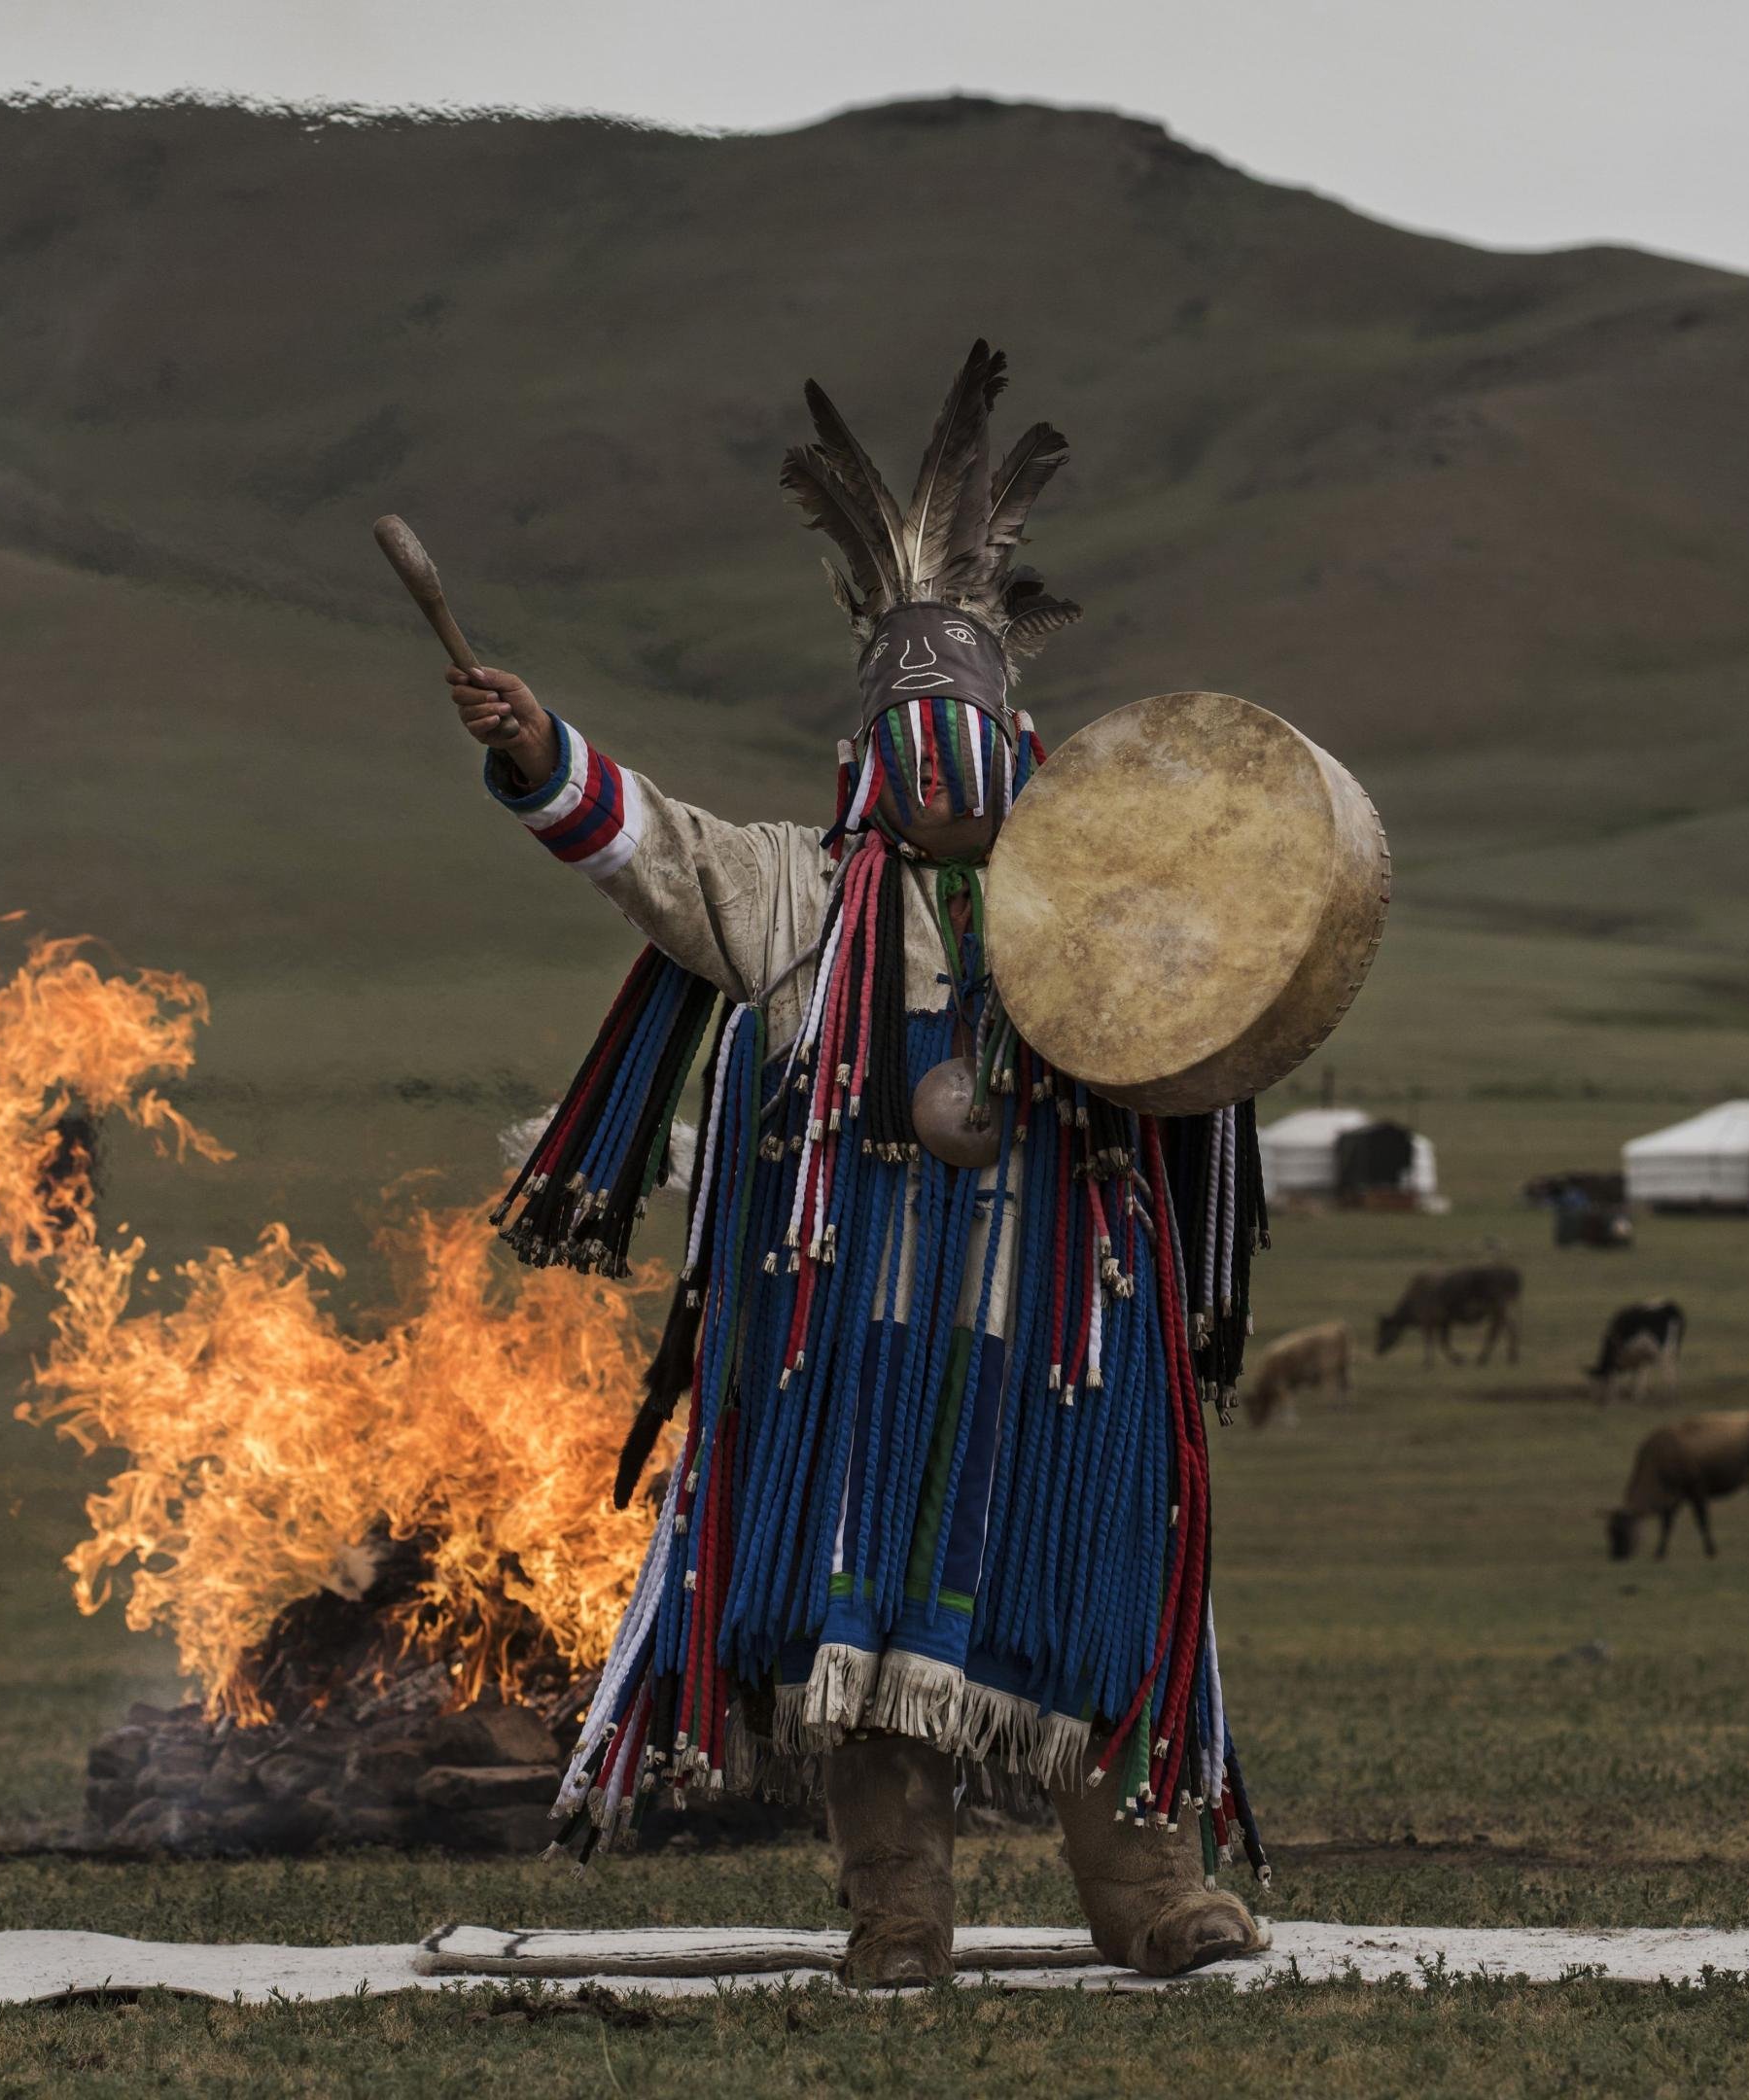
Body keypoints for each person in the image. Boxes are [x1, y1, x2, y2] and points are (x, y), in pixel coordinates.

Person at [441, 341, 1267, 1987]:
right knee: (861, 1632)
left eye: (970, 738)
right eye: (917, 739)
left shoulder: (1095, 911)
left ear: (1018, 745)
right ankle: (899, 1914)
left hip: (1063, 1340)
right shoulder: (795, 894)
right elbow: (649, 846)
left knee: (1097, 1588)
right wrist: (542, 752)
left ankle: (1150, 1899)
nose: (944, 771)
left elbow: (1225, 1022)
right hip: (858, 1346)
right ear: (876, 751)